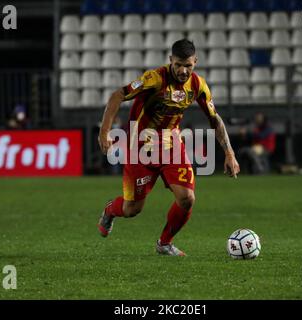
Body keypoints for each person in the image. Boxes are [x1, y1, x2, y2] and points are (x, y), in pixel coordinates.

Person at [97, 39, 240, 256]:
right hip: (140, 148)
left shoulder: (198, 85)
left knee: (187, 198)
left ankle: (164, 243)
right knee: (132, 209)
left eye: (188, 65)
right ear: (170, 60)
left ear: (195, 62)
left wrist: (229, 152)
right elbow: (118, 95)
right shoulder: (154, 79)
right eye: (179, 64)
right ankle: (110, 210)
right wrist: (104, 131)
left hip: (171, 146)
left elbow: (215, 119)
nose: (183, 70)